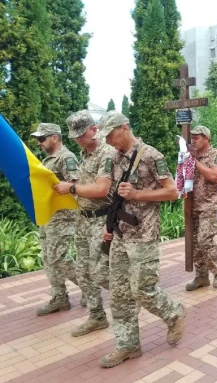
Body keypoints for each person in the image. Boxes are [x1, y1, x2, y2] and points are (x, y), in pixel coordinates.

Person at [97, 111, 185, 368]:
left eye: (111, 135)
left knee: (142, 290)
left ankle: (173, 313)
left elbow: (172, 192)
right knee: (120, 295)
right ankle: (128, 345)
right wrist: (108, 225)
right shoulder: (112, 158)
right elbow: (114, 196)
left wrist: (137, 194)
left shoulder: (150, 155)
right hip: (121, 235)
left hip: (144, 234)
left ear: (124, 127)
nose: (109, 141)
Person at [54, 111, 114, 337]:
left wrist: (70, 188)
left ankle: (133, 296)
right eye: (76, 136)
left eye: (83, 134)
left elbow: (102, 189)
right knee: (83, 271)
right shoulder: (84, 154)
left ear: (94, 129)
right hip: (83, 218)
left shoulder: (106, 153)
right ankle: (97, 316)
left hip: (102, 219)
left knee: (101, 273)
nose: (79, 139)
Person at [31, 123, 82, 316]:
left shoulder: (66, 157)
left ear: (54, 137)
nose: (39, 143)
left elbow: (76, 184)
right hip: (48, 216)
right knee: (48, 258)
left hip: (62, 217)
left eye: (42, 138)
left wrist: (64, 186)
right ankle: (59, 297)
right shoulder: (47, 159)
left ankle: (89, 287)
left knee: (58, 258)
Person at [184, 126, 217, 290]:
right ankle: (201, 277)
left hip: (209, 205)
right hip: (193, 205)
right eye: (192, 137)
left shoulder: (216, 154)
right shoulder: (189, 156)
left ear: (207, 139)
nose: (194, 140)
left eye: (197, 137)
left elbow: (213, 175)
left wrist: (194, 163)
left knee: (204, 239)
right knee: (195, 244)